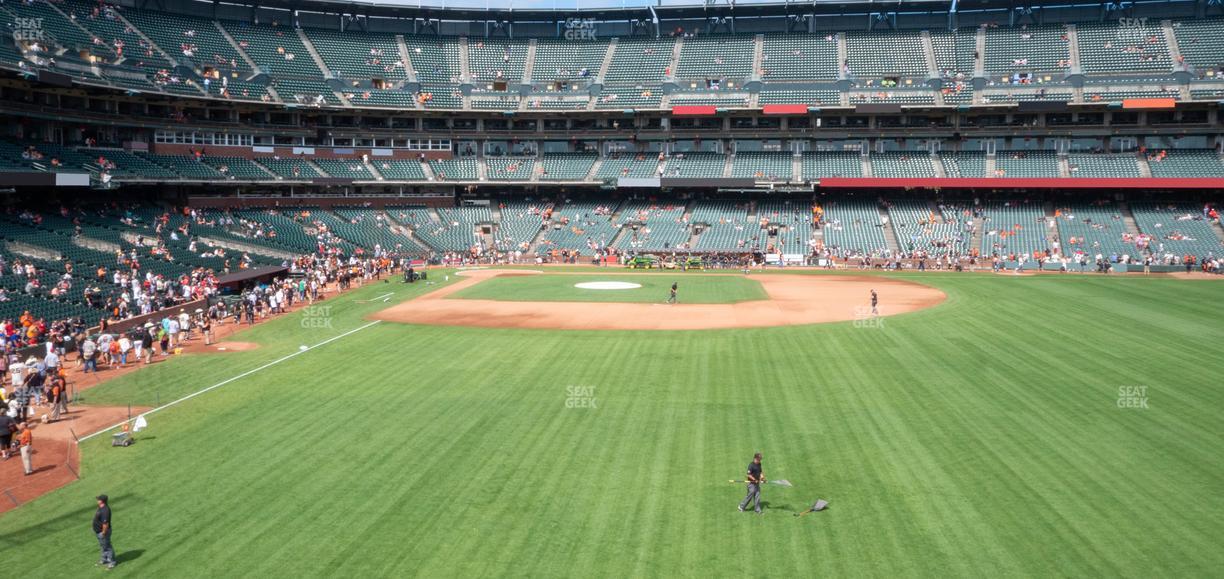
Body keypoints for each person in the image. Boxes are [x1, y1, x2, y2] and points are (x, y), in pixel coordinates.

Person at [94, 495, 116, 569]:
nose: (97, 500)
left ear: (102, 501)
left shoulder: (105, 510)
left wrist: (103, 532)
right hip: (99, 531)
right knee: (103, 546)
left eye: (98, 499)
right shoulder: (101, 508)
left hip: (103, 532)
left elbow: (105, 523)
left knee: (107, 546)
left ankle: (112, 562)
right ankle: (104, 559)